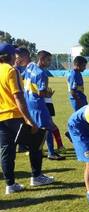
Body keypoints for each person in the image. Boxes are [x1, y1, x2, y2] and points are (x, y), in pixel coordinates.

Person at [0, 43, 41, 194]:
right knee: (36, 140)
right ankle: (36, 176)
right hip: (14, 115)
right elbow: (18, 96)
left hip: (1, 117)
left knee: (6, 151)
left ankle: (10, 185)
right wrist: (29, 119)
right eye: (15, 54)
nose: (16, 57)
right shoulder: (12, 70)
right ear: (10, 55)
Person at [23, 50, 56, 186]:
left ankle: (37, 174)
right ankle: (36, 176)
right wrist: (48, 93)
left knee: (35, 140)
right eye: (48, 60)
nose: (49, 63)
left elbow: (23, 78)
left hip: (29, 106)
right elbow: (42, 93)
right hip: (39, 108)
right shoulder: (42, 74)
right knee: (39, 141)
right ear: (42, 59)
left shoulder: (30, 66)